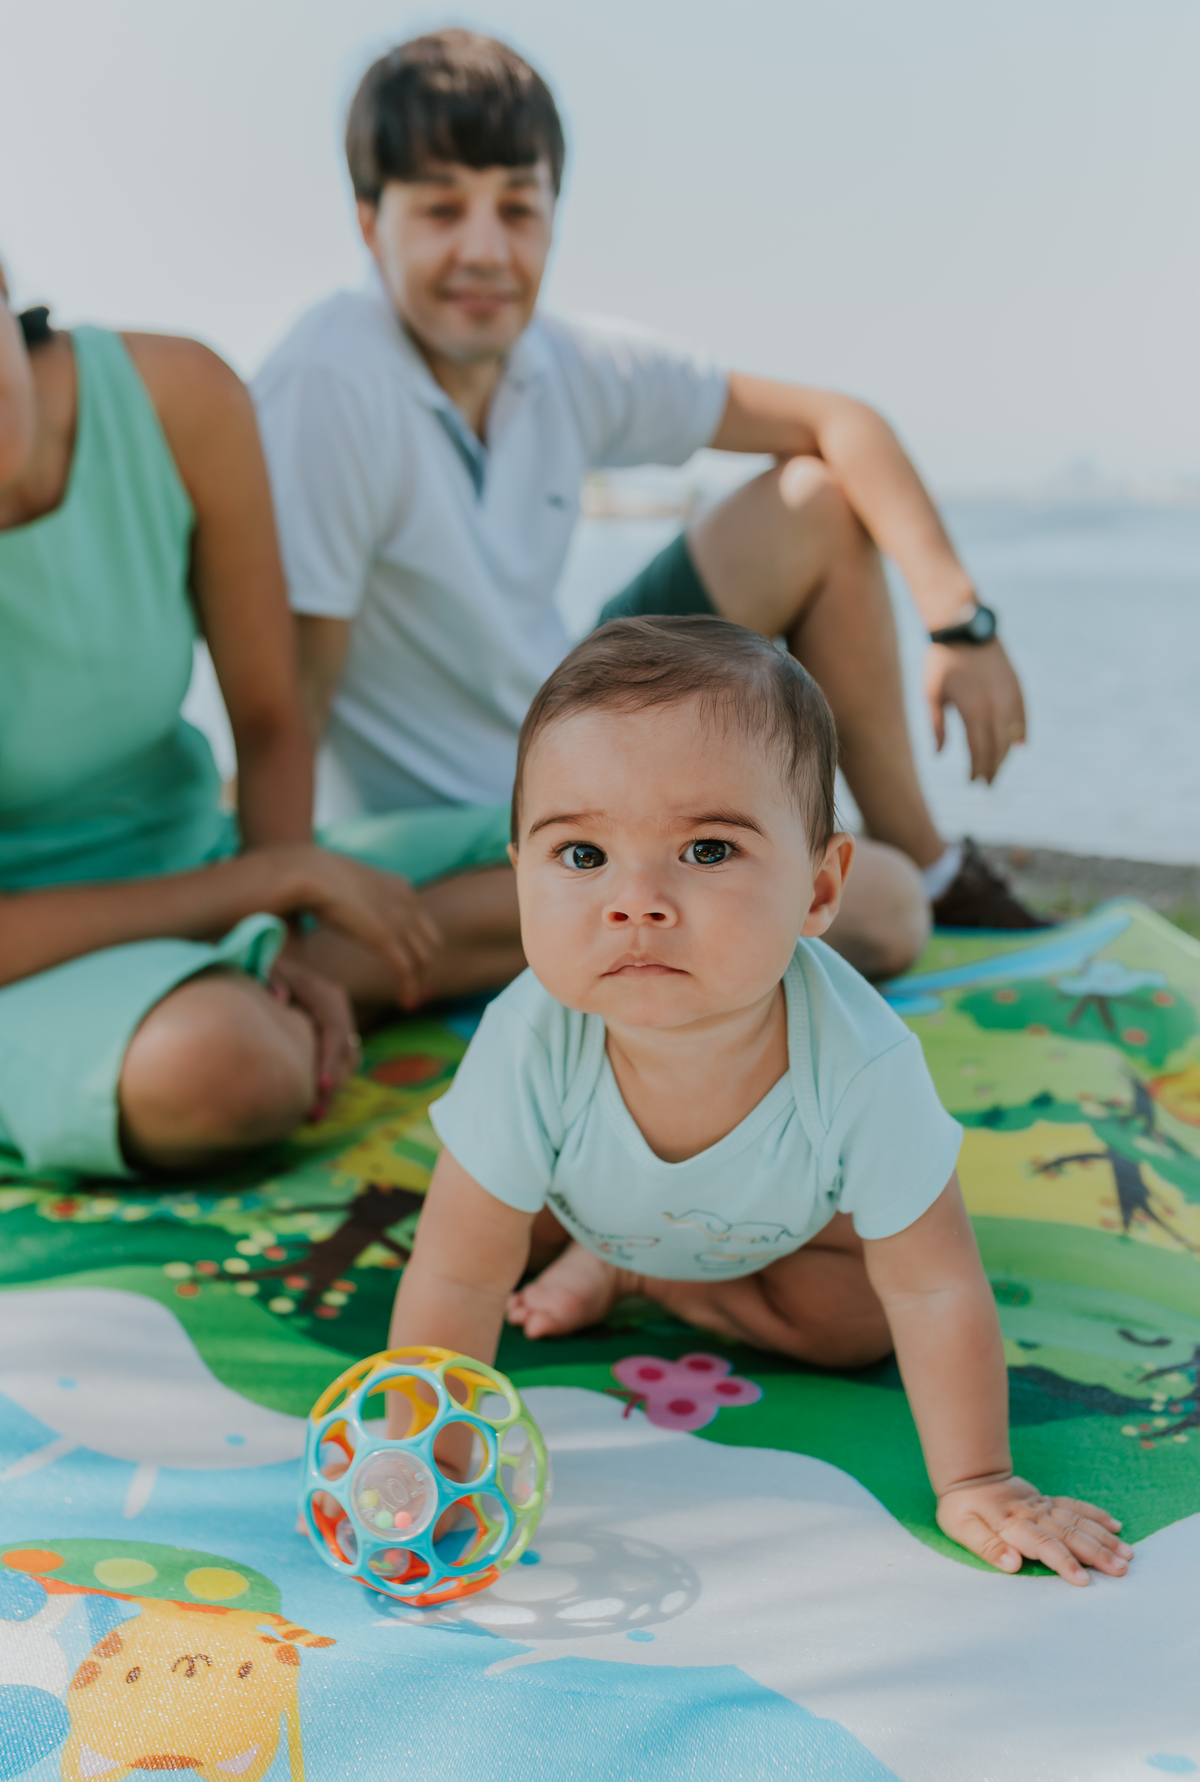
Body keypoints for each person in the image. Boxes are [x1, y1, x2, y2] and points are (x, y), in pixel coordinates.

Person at [254, 29, 1044, 1008]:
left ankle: (937, 866)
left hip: (567, 757)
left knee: (816, 505)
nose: (485, 250)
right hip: (427, 843)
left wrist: (958, 623)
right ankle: (358, 961)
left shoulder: (560, 361)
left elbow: (840, 420)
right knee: (867, 910)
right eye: (442, 208)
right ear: (371, 224)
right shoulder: (329, 385)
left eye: (517, 208)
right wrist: (277, 908)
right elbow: (286, 702)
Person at [389, 617, 1128, 1586]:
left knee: (863, 1317)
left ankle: (643, 1277)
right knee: (472, 1231)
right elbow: (456, 1282)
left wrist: (982, 1479)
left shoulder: (861, 1064)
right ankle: (602, 1257)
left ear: (819, 889)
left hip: (776, 1233)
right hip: (579, 1194)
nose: (637, 901)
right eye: (581, 856)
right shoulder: (529, 1042)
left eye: (705, 851)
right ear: (519, 871)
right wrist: (431, 1469)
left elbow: (936, 1286)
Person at [0, 275, 532, 1180]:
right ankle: (252, 1000)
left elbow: (270, 712)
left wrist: (279, 922)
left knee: (613, 867)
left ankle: (287, 980)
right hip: (29, 961)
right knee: (231, 1067)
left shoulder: (179, 397)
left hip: (203, 862)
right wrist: (268, 880)